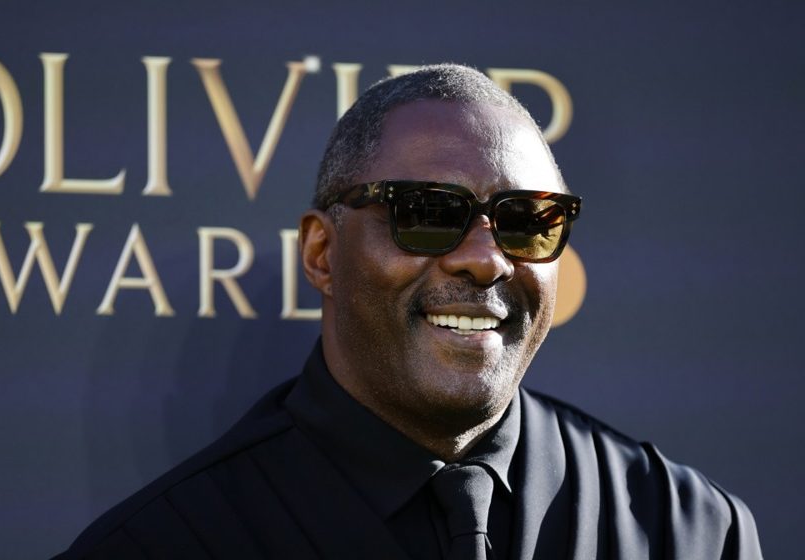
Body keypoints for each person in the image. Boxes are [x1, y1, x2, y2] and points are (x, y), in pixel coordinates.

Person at [55, 64, 762, 559]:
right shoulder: (163, 544)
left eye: (526, 221)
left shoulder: (687, 531)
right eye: (428, 214)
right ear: (322, 253)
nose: (485, 260)